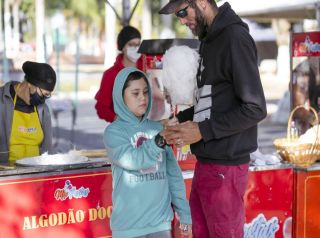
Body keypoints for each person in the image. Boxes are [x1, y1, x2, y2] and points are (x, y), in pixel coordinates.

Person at [159, 1, 267, 237]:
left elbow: (255, 108)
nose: (181, 20)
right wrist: (180, 121)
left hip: (226, 168)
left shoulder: (234, 38)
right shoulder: (209, 40)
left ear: (201, 2)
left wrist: (202, 131)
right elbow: (212, 102)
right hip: (206, 163)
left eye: (182, 12)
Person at [103, 67, 192, 238]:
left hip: (160, 224)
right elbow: (133, 160)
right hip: (128, 228)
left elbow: (173, 176)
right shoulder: (114, 132)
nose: (143, 98)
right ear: (121, 97)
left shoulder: (157, 128)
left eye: (145, 92)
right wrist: (159, 140)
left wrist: (185, 214)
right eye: (135, 93)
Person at [0, 61, 56, 163]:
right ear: (30, 84)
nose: (43, 99)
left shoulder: (43, 109)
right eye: (43, 94)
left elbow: (48, 149)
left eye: (47, 95)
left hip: (35, 173)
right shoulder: (2, 100)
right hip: (6, 173)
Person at [95, 25, 143, 122]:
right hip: (124, 132)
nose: (136, 48)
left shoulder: (147, 69)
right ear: (122, 47)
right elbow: (102, 108)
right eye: (131, 45)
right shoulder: (110, 75)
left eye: (138, 44)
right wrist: (120, 121)